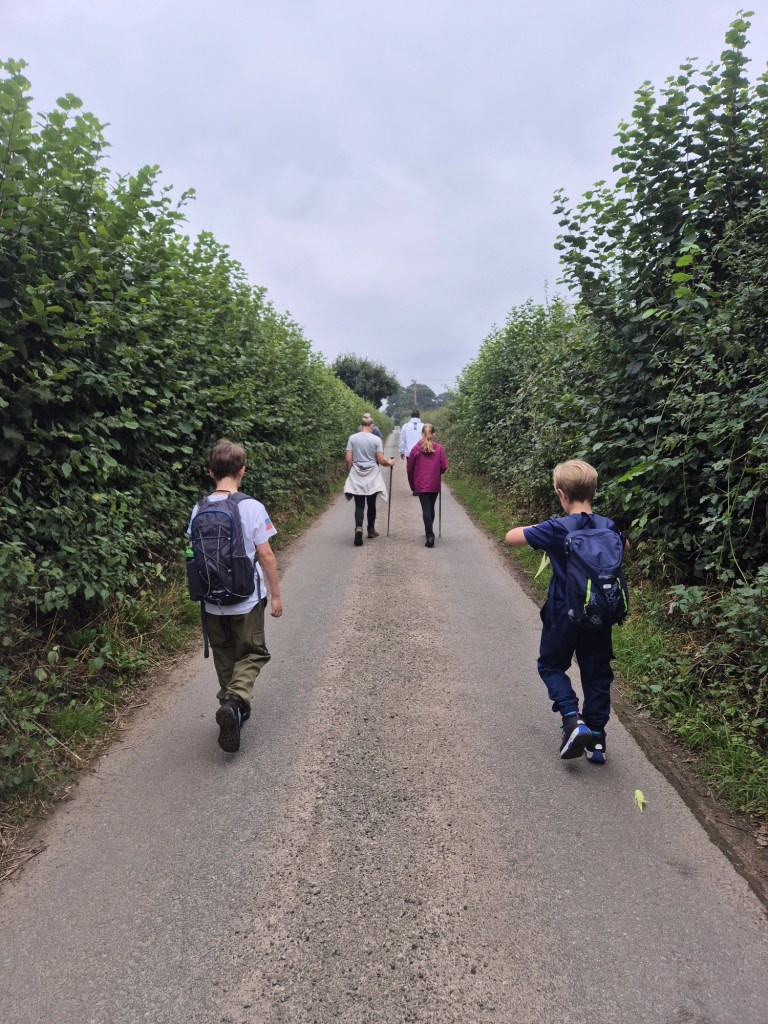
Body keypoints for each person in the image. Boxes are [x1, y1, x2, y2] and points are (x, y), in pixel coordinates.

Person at [504, 459, 629, 764]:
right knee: (597, 673)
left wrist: (542, 528)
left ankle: (573, 719)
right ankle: (597, 740)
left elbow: (511, 537)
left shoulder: (557, 528)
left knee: (550, 665)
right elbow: (624, 547)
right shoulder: (607, 525)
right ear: (594, 490)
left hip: (563, 610)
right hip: (599, 610)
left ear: (560, 493)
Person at [188, 439, 283, 753]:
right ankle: (234, 702)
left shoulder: (199, 508)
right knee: (254, 653)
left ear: (210, 471)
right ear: (242, 470)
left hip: (212, 602)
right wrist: (276, 594)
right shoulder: (250, 506)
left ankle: (233, 708)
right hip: (245, 598)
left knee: (225, 655)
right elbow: (266, 554)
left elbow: (192, 554)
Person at [344, 413, 395, 545]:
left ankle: (358, 527)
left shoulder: (352, 438)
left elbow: (348, 458)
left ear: (361, 426)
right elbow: (381, 460)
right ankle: (371, 530)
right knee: (371, 504)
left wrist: (351, 471)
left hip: (357, 472)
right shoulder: (376, 440)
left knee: (359, 505)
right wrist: (389, 463)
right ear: (372, 426)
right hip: (371, 474)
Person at [406, 423, 448, 547]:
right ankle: (429, 531)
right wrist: (439, 470)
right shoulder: (439, 448)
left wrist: (412, 484)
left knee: (426, 508)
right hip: (434, 482)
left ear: (421, 434)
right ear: (434, 434)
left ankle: (429, 534)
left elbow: (410, 468)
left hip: (421, 482)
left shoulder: (415, 449)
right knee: (431, 507)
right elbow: (444, 466)